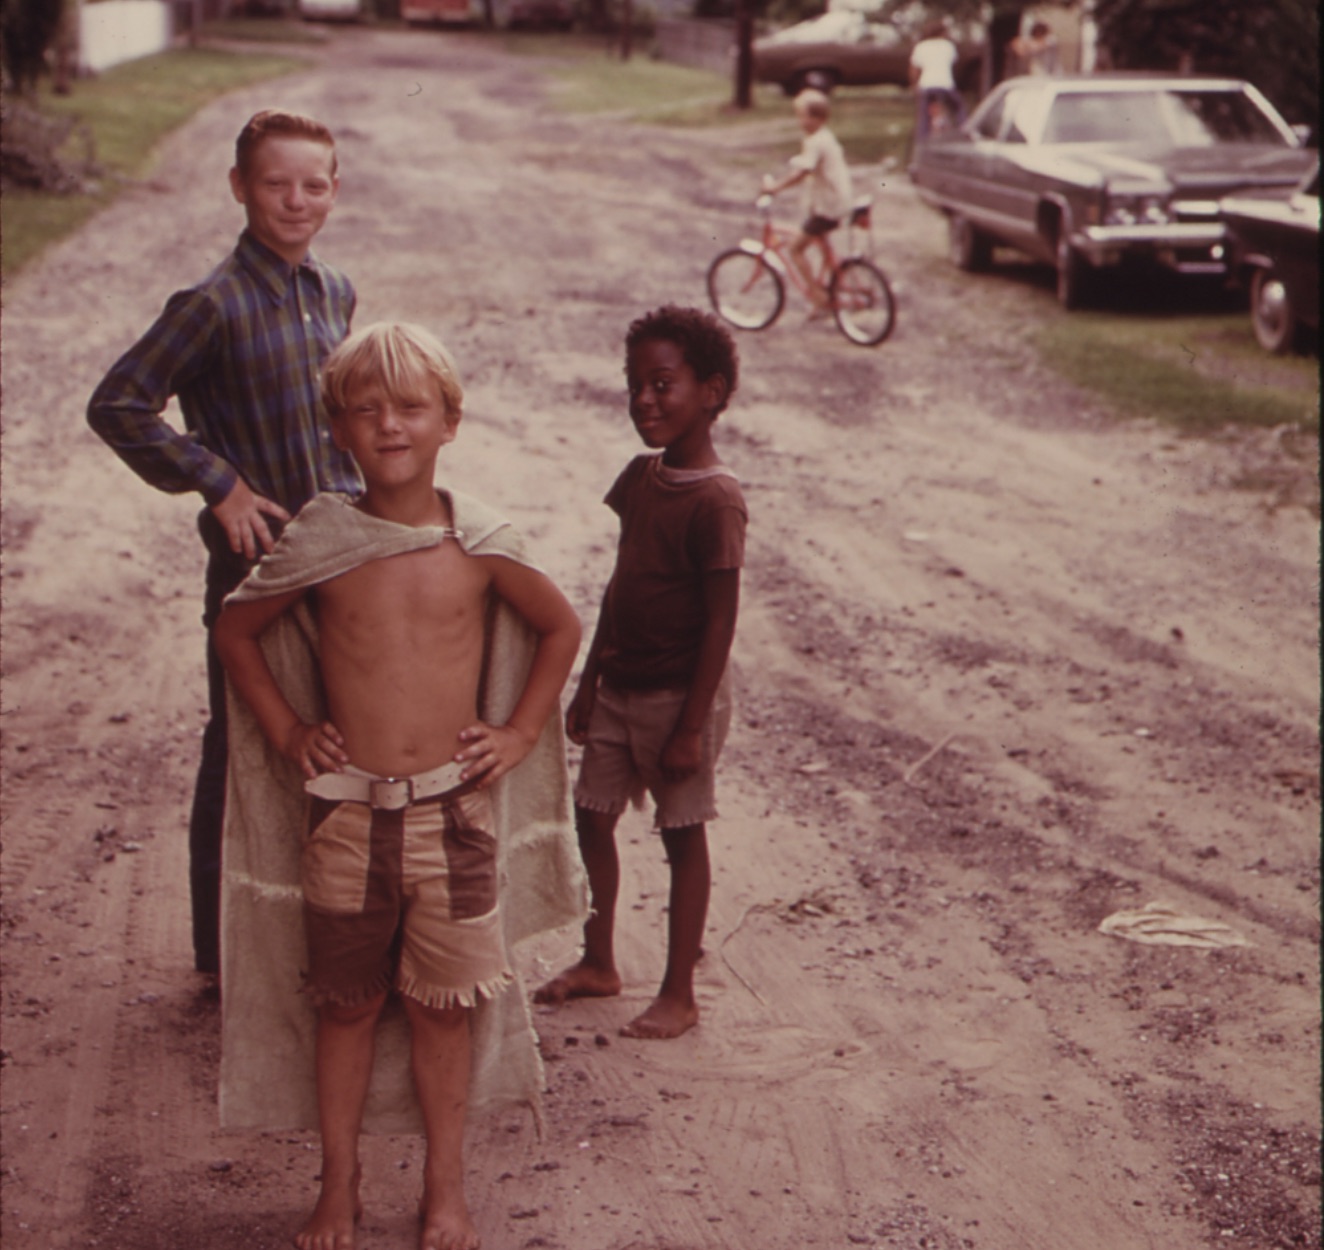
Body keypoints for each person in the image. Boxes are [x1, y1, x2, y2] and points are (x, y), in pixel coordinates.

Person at [213, 322, 583, 1250]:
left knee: (441, 1011)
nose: (389, 426)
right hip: (345, 817)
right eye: (366, 410)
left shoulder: (478, 542)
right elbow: (236, 630)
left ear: (448, 421)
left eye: (410, 407)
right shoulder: (323, 538)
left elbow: (559, 628)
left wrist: (521, 730)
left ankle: (445, 1194)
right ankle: (338, 1189)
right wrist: (290, 728)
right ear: (337, 428)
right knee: (344, 1009)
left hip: (452, 824)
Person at [86, 109, 358, 977]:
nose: (295, 199)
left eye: (313, 184)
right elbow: (119, 403)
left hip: (342, 556)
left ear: (334, 190)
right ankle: (223, 954)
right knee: (241, 743)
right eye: (275, 182)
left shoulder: (335, 290)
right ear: (240, 187)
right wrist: (220, 484)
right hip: (256, 567)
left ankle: (328, 930)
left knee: (339, 733)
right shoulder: (211, 303)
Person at [535, 306, 747, 1041]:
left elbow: (721, 621)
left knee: (681, 833)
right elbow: (621, 584)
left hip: (677, 699)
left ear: (712, 391)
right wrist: (590, 678)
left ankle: (680, 992)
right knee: (590, 816)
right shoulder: (640, 478)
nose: (645, 401)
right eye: (634, 386)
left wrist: (690, 726)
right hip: (622, 688)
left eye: (663, 384)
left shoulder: (717, 499)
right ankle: (599, 962)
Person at [762, 88, 853, 318]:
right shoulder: (823, 137)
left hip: (828, 207)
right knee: (816, 241)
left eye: (806, 116)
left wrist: (775, 188)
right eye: (800, 116)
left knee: (795, 249)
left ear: (820, 119)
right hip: (836, 203)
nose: (802, 121)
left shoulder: (816, 142)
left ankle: (817, 295)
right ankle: (827, 291)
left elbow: (802, 173)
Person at [909, 18, 966, 142]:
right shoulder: (948, 46)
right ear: (942, 33)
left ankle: (922, 142)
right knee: (959, 107)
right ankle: (963, 133)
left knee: (923, 117)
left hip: (926, 85)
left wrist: (915, 86)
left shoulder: (920, 46)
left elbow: (914, 70)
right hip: (945, 85)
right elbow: (953, 64)